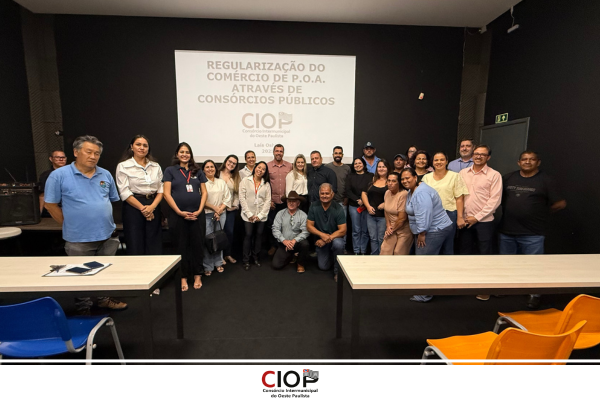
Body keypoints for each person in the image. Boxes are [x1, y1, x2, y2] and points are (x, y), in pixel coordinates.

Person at [45, 135, 127, 313]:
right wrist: (69, 224)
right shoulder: (59, 175)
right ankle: (84, 309)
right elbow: (50, 204)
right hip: (78, 238)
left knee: (105, 271)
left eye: (97, 153)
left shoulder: (105, 174)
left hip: (107, 235)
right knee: (80, 275)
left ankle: (104, 299)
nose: (93, 156)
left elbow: (111, 199)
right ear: (76, 152)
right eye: (88, 152)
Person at [498, 150, 566, 309]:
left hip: (533, 233)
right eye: (524, 159)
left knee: (534, 267)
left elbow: (560, 203)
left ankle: (534, 294)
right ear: (519, 162)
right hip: (507, 230)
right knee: (505, 265)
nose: (527, 162)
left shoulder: (546, 180)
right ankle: (505, 289)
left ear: (538, 162)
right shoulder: (508, 178)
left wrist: (540, 212)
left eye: (531, 159)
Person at [401, 168, 453, 303]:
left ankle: (424, 295)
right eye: (402, 179)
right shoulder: (412, 191)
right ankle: (426, 289)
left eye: (408, 178)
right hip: (430, 228)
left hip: (433, 230)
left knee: (424, 262)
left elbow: (424, 215)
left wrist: (422, 233)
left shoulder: (421, 193)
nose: (405, 181)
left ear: (415, 178)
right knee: (426, 261)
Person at [458, 144, 502, 301]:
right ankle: (465, 286)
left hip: (484, 222)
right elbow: (459, 196)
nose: (478, 156)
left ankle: (485, 289)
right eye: (476, 153)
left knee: (485, 256)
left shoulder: (494, 175)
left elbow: (495, 200)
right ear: (472, 155)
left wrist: (477, 217)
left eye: (482, 154)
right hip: (465, 221)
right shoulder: (463, 173)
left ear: (488, 157)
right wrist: (461, 216)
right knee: (464, 253)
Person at [163, 142, 207, 292]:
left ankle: (197, 274)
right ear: (177, 154)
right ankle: (182, 276)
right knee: (180, 246)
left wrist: (199, 210)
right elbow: (166, 194)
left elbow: (204, 192)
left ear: (191, 154)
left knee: (198, 245)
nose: (184, 154)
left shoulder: (197, 171)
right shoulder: (170, 170)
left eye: (187, 152)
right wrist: (179, 212)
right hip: (178, 216)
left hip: (197, 215)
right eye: (182, 152)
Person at [115, 135, 164, 256]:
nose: (142, 148)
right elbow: (124, 192)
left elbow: (161, 189)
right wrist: (143, 209)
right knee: (135, 243)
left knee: (154, 243)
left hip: (153, 205)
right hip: (133, 207)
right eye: (138, 144)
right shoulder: (123, 166)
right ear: (131, 147)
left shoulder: (155, 166)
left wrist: (151, 207)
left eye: (145, 145)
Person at [422, 151, 469, 255]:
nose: (439, 162)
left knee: (447, 246)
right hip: (431, 215)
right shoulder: (426, 178)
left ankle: (448, 265)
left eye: (442, 160)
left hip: (449, 214)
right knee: (432, 246)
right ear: (432, 162)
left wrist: (460, 217)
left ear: (447, 162)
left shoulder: (455, 176)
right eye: (436, 160)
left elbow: (459, 198)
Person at [307, 183, 347, 281]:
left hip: (335, 238)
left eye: (327, 193)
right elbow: (309, 226)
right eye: (322, 193)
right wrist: (322, 235)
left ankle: (338, 272)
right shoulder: (314, 206)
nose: (324, 196)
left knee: (338, 244)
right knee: (323, 267)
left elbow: (343, 230)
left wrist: (326, 239)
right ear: (319, 194)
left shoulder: (338, 208)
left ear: (332, 194)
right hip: (321, 239)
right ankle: (335, 257)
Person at [239, 161, 271, 270]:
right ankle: (246, 260)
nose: (260, 170)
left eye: (263, 169)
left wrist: (260, 216)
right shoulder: (245, 181)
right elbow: (242, 198)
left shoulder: (266, 184)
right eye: (259, 167)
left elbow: (268, 201)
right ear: (255, 168)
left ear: (265, 172)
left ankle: (256, 257)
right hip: (248, 215)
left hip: (261, 215)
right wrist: (249, 214)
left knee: (259, 236)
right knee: (248, 235)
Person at [202, 159, 232, 275]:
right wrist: (215, 208)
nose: (210, 169)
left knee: (219, 239)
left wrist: (219, 210)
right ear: (203, 170)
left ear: (215, 169)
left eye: (212, 167)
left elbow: (227, 197)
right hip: (207, 214)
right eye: (207, 167)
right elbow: (201, 199)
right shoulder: (202, 183)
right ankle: (208, 266)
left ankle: (218, 263)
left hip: (221, 214)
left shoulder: (221, 182)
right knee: (209, 240)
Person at [271, 191, 310, 273]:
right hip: (284, 243)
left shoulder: (303, 215)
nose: (291, 203)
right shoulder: (280, 214)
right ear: (287, 202)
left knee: (305, 244)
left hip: (297, 243)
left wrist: (294, 240)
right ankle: (291, 255)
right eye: (289, 201)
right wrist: (284, 241)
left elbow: (306, 231)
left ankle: (300, 263)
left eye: (294, 201)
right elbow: (275, 229)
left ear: (298, 203)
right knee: (276, 265)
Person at [267, 144, 293, 256]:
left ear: (283, 153)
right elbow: (265, 184)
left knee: (286, 225)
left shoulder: (290, 166)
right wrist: (269, 201)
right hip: (272, 202)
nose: (279, 153)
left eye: (281, 151)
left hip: (286, 202)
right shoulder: (267, 166)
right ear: (273, 152)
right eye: (277, 151)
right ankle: (273, 246)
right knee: (272, 225)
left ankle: (284, 247)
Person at [361, 159, 389, 255]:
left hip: (384, 216)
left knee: (381, 238)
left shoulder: (390, 181)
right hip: (371, 215)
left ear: (387, 168)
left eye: (383, 166)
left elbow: (396, 196)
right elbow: (364, 193)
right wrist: (368, 207)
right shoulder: (372, 180)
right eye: (379, 167)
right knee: (373, 238)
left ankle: (381, 257)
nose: (381, 169)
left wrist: (385, 203)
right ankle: (374, 257)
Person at [380, 172, 413, 255]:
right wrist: (388, 226)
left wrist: (391, 230)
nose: (390, 183)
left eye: (393, 181)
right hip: (391, 228)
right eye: (389, 181)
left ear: (399, 183)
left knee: (398, 252)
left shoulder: (403, 194)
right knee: (385, 249)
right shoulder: (387, 192)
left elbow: (402, 218)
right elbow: (386, 211)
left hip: (403, 229)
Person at [346, 157, 373, 255]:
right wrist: (358, 200)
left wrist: (364, 201)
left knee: (365, 230)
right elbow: (348, 191)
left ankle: (363, 251)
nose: (357, 165)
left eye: (359, 163)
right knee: (356, 230)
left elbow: (372, 189)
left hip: (367, 206)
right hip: (354, 206)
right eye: (355, 164)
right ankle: (357, 251)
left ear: (364, 164)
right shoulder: (350, 176)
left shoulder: (370, 176)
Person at [218, 154, 241, 264]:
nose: (231, 164)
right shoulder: (217, 173)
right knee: (218, 232)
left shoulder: (236, 177)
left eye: (234, 163)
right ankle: (219, 256)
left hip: (230, 210)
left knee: (229, 232)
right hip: (218, 208)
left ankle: (228, 254)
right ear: (226, 161)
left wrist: (235, 205)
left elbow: (237, 194)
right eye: (230, 161)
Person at [38, 150, 67, 216]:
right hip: (53, 210)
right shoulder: (46, 175)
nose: (61, 159)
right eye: (57, 157)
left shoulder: (72, 173)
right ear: (51, 159)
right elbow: (43, 194)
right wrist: (40, 214)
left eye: (63, 157)